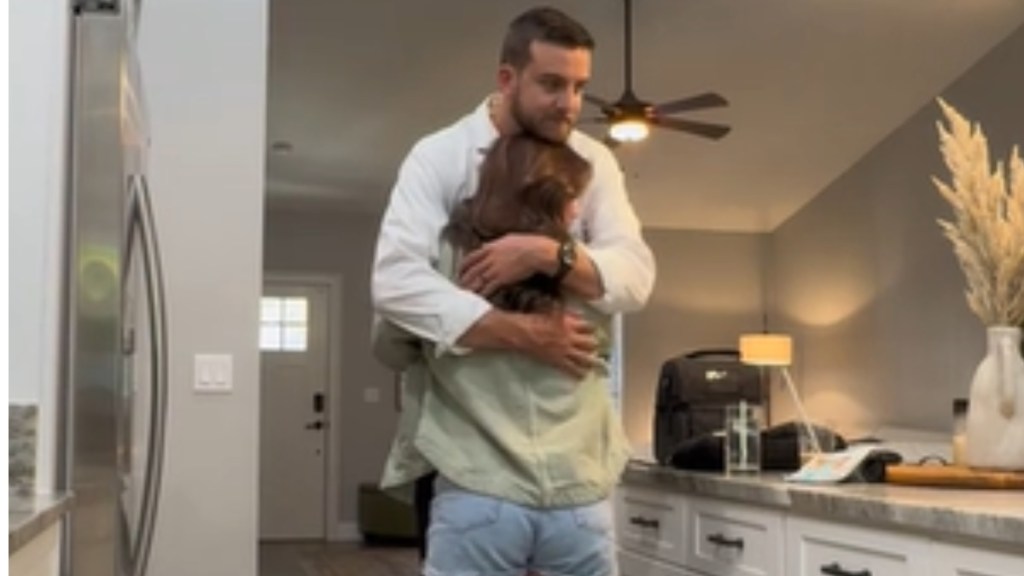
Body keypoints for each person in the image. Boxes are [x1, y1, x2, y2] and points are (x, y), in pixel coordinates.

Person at [371, 6, 656, 575]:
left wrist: (547, 253)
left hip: (576, 472)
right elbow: (396, 282)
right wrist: (528, 335)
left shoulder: (594, 161)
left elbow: (635, 275)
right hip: (473, 465)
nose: (570, 105)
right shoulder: (440, 156)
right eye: (552, 84)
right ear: (507, 79)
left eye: (579, 87)